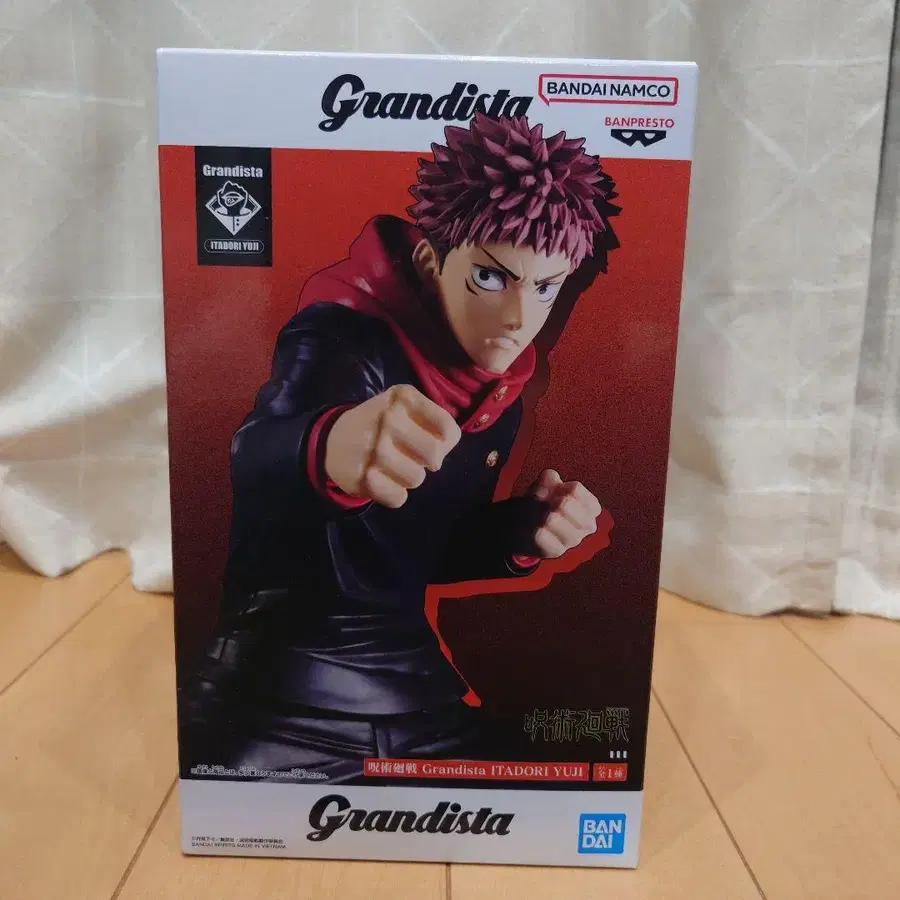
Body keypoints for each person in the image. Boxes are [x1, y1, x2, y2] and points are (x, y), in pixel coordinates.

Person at [179, 112, 621, 784]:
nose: (517, 319)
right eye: (491, 278)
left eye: (545, 287)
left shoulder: (495, 394)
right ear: (429, 262)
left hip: (415, 696)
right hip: (276, 690)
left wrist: (520, 531)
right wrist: (326, 445)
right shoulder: (341, 340)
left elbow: (423, 553)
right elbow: (255, 453)